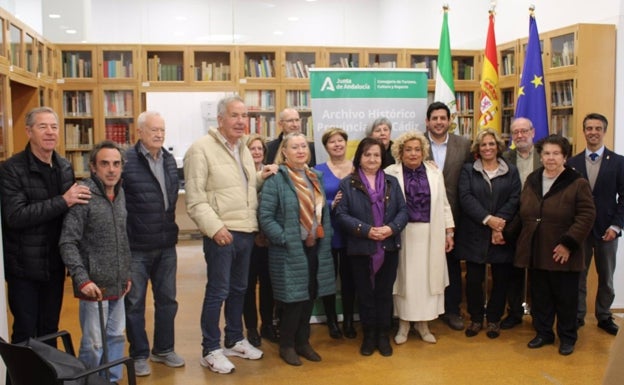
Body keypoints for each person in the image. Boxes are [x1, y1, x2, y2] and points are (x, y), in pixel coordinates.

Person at [184, 95, 272, 374]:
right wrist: (215, 228)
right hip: (221, 232)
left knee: (239, 290)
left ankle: (233, 339)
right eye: (234, 115)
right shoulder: (200, 149)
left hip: (245, 230)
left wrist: (261, 177)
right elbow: (195, 199)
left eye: (244, 116)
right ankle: (210, 349)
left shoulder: (243, 148)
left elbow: (240, 187)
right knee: (218, 291)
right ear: (220, 119)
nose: (240, 121)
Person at [0, 106, 90, 344]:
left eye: (54, 127)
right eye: (43, 127)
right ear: (29, 131)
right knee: (25, 333)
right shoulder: (11, 169)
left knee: (50, 330)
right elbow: (15, 216)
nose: (50, 132)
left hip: (55, 265)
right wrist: (63, 201)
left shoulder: (64, 166)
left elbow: (70, 217)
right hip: (24, 268)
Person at [258, 132, 335, 366]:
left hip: (315, 248)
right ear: (284, 151)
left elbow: (322, 213)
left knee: (309, 296)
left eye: (303, 146)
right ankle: (287, 345)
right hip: (289, 250)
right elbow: (265, 217)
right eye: (295, 147)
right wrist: (284, 238)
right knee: (293, 300)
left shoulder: (315, 177)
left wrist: (324, 237)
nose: (301, 150)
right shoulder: (277, 180)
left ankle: (303, 342)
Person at [514, 135, 595, 356]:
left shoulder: (577, 182)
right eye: (547, 153)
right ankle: (544, 333)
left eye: (556, 153)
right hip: (537, 248)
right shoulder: (532, 178)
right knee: (540, 295)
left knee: (566, 298)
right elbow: (523, 209)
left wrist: (568, 244)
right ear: (540, 156)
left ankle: (568, 338)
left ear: (565, 157)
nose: (550, 158)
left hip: (563, 252)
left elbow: (587, 215)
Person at [59, 140, 132, 382]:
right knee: (93, 345)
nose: (111, 169)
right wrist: (82, 279)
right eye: (104, 164)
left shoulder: (120, 194)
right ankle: (87, 381)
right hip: (93, 288)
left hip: (118, 285)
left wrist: (126, 273)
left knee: (116, 337)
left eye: (116, 164)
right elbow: (67, 242)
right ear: (93, 167)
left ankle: (110, 380)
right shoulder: (84, 195)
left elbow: (122, 236)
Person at [122, 111, 184, 377]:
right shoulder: (126, 161)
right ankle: (138, 354)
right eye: (153, 130)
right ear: (139, 133)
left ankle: (164, 349)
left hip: (166, 244)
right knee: (134, 303)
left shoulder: (169, 161)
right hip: (136, 246)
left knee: (167, 300)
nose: (159, 135)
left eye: (162, 130)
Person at [335, 137, 408, 357]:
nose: (372, 159)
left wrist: (391, 228)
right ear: (360, 157)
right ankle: (368, 335)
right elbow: (341, 214)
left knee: (384, 294)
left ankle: (383, 335)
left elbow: (403, 212)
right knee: (365, 295)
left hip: (388, 245)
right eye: (367, 154)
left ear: (382, 157)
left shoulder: (392, 183)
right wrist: (365, 230)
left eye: (376, 154)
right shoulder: (348, 183)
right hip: (360, 247)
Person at [385, 131, 454, 345]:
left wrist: (449, 231)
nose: (413, 153)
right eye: (408, 149)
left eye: (417, 149)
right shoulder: (390, 172)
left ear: (423, 151)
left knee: (426, 280)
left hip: (430, 233)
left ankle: (423, 324)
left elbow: (443, 203)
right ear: (400, 152)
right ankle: (404, 324)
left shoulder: (434, 172)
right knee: (405, 280)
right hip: (403, 234)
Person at [456, 129, 521, 339]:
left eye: (491, 144)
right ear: (477, 148)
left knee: (501, 279)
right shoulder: (468, 170)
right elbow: (465, 198)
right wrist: (488, 219)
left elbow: (515, 198)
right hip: (475, 232)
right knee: (474, 280)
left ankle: (493, 319)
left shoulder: (511, 170)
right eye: (483, 144)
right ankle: (476, 318)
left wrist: (498, 224)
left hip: (501, 234)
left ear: (498, 146)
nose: (487, 148)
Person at [567, 113, 624, 336]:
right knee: (578, 275)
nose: (593, 132)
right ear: (584, 131)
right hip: (580, 231)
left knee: (606, 277)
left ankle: (604, 315)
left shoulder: (619, 162)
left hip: (607, 230)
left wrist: (616, 226)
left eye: (597, 128)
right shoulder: (572, 163)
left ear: (604, 131)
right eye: (589, 128)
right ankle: (578, 315)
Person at [424, 101, 472, 331]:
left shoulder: (463, 144)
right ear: (427, 121)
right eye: (435, 118)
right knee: (423, 262)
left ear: (449, 121)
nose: (439, 122)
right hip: (424, 215)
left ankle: (452, 310)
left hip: (457, 213)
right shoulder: (416, 144)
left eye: (443, 118)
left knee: (452, 263)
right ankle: (424, 310)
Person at [314, 127, 356, 339]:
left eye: (340, 141)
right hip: (329, 232)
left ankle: (349, 320)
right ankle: (331, 321)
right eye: (332, 142)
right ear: (326, 147)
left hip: (352, 233)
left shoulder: (357, 168)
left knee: (349, 279)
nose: (337, 144)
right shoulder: (317, 170)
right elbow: (313, 200)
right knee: (328, 278)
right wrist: (332, 203)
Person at [500, 117, 541, 330]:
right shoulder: (505, 158)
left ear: (533, 132)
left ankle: (538, 314)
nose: (520, 135)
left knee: (538, 270)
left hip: (540, 223)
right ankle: (514, 312)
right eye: (515, 132)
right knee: (513, 269)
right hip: (513, 222)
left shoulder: (545, 156)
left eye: (524, 131)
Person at [243, 134, 279, 346]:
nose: (256, 152)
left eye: (259, 149)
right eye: (252, 148)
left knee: (268, 285)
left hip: (268, 239)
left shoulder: (272, 173)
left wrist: (266, 233)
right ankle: (250, 327)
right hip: (248, 238)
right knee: (247, 285)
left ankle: (267, 324)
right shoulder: (241, 173)